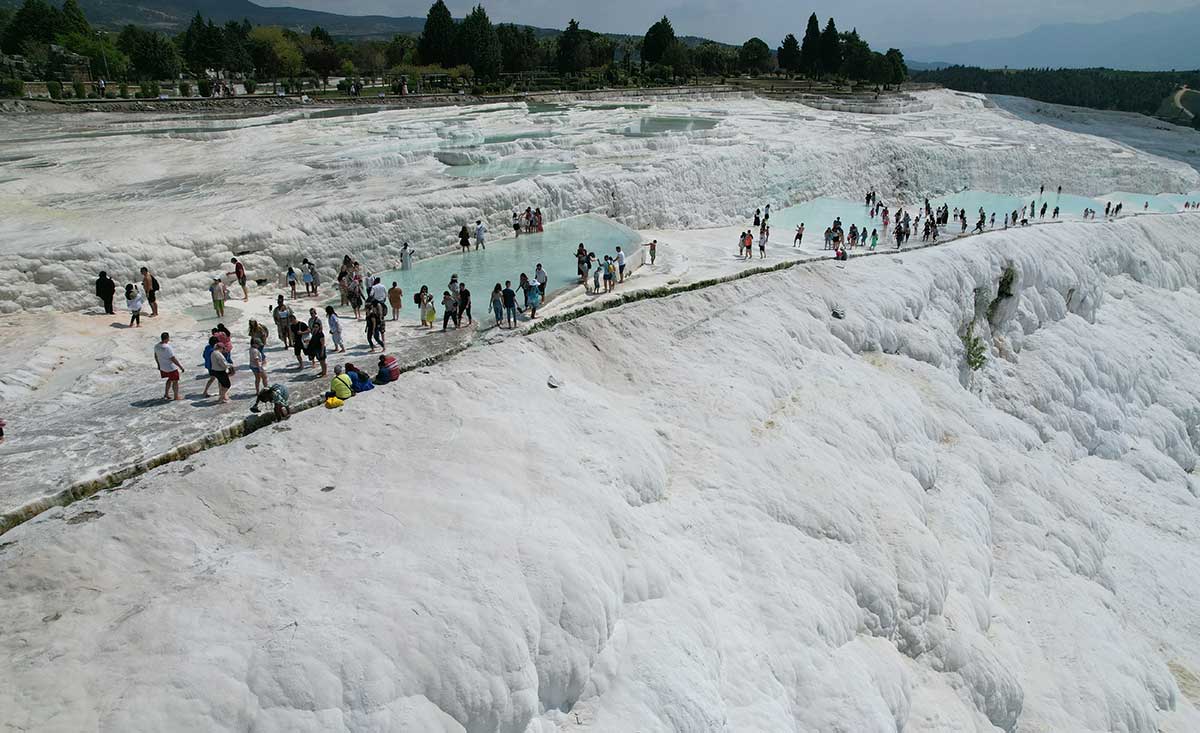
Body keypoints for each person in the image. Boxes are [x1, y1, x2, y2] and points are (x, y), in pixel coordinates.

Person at [206, 336, 233, 404]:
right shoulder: (218, 354)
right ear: (220, 348)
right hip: (220, 371)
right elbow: (223, 364)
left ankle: (222, 397)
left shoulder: (213, 352)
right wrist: (230, 366)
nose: (223, 349)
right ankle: (221, 397)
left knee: (222, 384)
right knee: (227, 385)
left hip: (214, 370)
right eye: (223, 348)